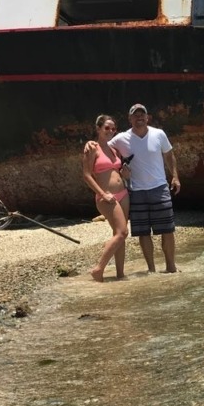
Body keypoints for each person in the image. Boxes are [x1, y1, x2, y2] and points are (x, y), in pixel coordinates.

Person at [108, 103, 180, 273]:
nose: (139, 118)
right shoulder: (121, 139)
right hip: (136, 191)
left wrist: (175, 176)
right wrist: (91, 144)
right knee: (143, 232)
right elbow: (104, 148)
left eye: (142, 115)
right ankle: (152, 269)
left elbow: (169, 155)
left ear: (147, 117)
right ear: (130, 118)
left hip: (160, 188)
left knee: (167, 230)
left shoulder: (159, 134)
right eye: (135, 115)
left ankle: (171, 267)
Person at [81, 114, 129, 281]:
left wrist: (125, 174)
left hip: (123, 194)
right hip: (106, 196)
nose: (110, 131)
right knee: (123, 232)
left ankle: (120, 275)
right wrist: (102, 194)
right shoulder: (92, 148)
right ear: (98, 129)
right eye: (107, 128)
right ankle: (98, 269)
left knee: (119, 235)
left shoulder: (114, 149)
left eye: (113, 128)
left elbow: (116, 172)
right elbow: (87, 175)